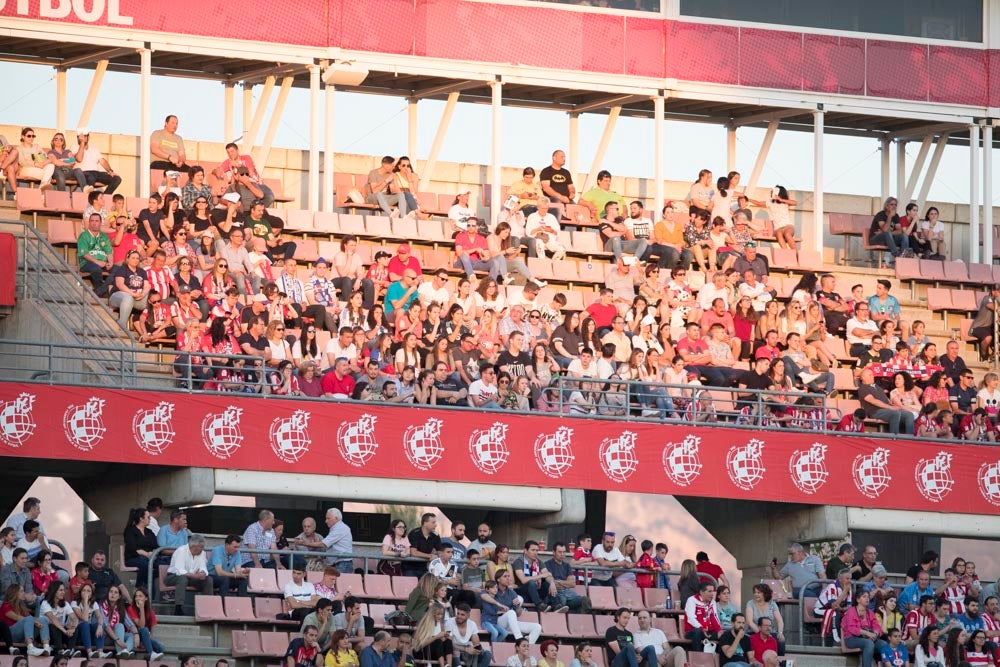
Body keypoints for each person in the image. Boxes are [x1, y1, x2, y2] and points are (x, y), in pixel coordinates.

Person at [166, 534, 213, 615]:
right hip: (173, 576)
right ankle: (178, 608)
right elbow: (179, 570)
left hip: (191, 578)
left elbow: (203, 567)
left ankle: (207, 608)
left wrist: (203, 573)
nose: (202, 549)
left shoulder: (202, 553)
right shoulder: (181, 550)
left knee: (208, 579)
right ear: (194, 546)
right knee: (182, 578)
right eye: (201, 547)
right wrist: (195, 576)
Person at [858, 368, 915, 435]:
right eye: (870, 375)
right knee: (895, 413)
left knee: (909, 415)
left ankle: (910, 438)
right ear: (863, 377)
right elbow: (873, 401)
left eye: (872, 375)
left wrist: (892, 404)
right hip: (876, 412)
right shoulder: (863, 388)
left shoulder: (876, 386)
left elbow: (885, 398)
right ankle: (894, 438)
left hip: (887, 409)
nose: (873, 376)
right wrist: (889, 407)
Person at [843, 590, 887, 667]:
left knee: (884, 644)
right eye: (864, 597)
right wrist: (867, 633)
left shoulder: (870, 612)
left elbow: (876, 626)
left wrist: (875, 634)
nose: (867, 599)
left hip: (867, 638)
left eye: (868, 597)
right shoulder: (851, 611)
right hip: (851, 638)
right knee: (869, 643)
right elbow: (851, 628)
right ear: (858, 600)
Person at [74, 127, 122, 194]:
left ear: (88, 137)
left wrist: (110, 171)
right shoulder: (74, 147)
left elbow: (102, 161)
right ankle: (90, 197)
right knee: (91, 177)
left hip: (96, 173)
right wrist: (82, 143)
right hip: (84, 173)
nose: (83, 138)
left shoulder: (94, 149)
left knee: (117, 179)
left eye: (85, 136)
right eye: (81, 136)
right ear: (78, 137)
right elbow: (79, 159)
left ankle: (104, 197)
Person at [208, 534, 248, 598]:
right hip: (212, 577)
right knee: (225, 579)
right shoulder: (217, 550)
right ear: (227, 545)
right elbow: (219, 572)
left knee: (243, 580)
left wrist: (243, 572)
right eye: (235, 547)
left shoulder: (237, 552)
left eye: (238, 547)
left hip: (226, 577)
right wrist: (235, 575)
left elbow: (238, 571)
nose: (237, 549)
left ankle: (241, 605)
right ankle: (224, 605)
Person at [684, 581, 721, 646]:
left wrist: (719, 630)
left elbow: (714, 616)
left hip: (708, 631)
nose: (712, 594)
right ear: (701, 592)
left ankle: (719, 655)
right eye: (709, 591)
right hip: (693, 630)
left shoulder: (712, 602)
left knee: (725, 634)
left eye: (713, 591)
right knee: (697, 632)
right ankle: (697, 655)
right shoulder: (692, 600)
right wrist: (701, 628)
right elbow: (691, 618)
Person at [322, 509, 354, 573]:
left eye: (328, 518)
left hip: (342, 564)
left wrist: (304, 543)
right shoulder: (337, 527)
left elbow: (323, 544)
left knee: (341, 582)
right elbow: (332, 547)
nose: (326, 521)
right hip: (340, 563)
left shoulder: (340, 528)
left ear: (336, 518)